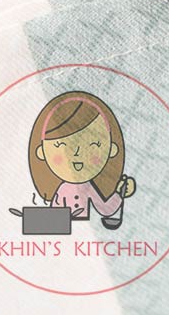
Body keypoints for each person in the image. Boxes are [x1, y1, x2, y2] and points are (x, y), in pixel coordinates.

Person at [28, 91, 136, 229]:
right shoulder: (63, 190)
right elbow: (52, 221)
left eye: (93, 146)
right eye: (62, 146)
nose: (78, 154)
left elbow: (105, 208)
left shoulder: (89, 187)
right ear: (42, 152)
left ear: (111, 150)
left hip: (84, 233)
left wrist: (120, 194)